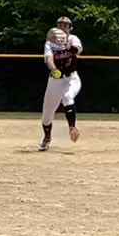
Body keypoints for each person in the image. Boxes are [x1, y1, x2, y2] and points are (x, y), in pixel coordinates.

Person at [39, 17, 83, 151]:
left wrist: (67, 46)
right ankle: (47, 138)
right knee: (47, 113)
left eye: (65, 25)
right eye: (60, 25)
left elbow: (77, 49)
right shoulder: (49, 43)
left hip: (71, 79)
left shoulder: (73, 39)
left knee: (67, 97)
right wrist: (54, 69)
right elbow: (49, 59)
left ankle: (72, 128)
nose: (62, 27)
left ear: (70, 28)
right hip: (55, 81)